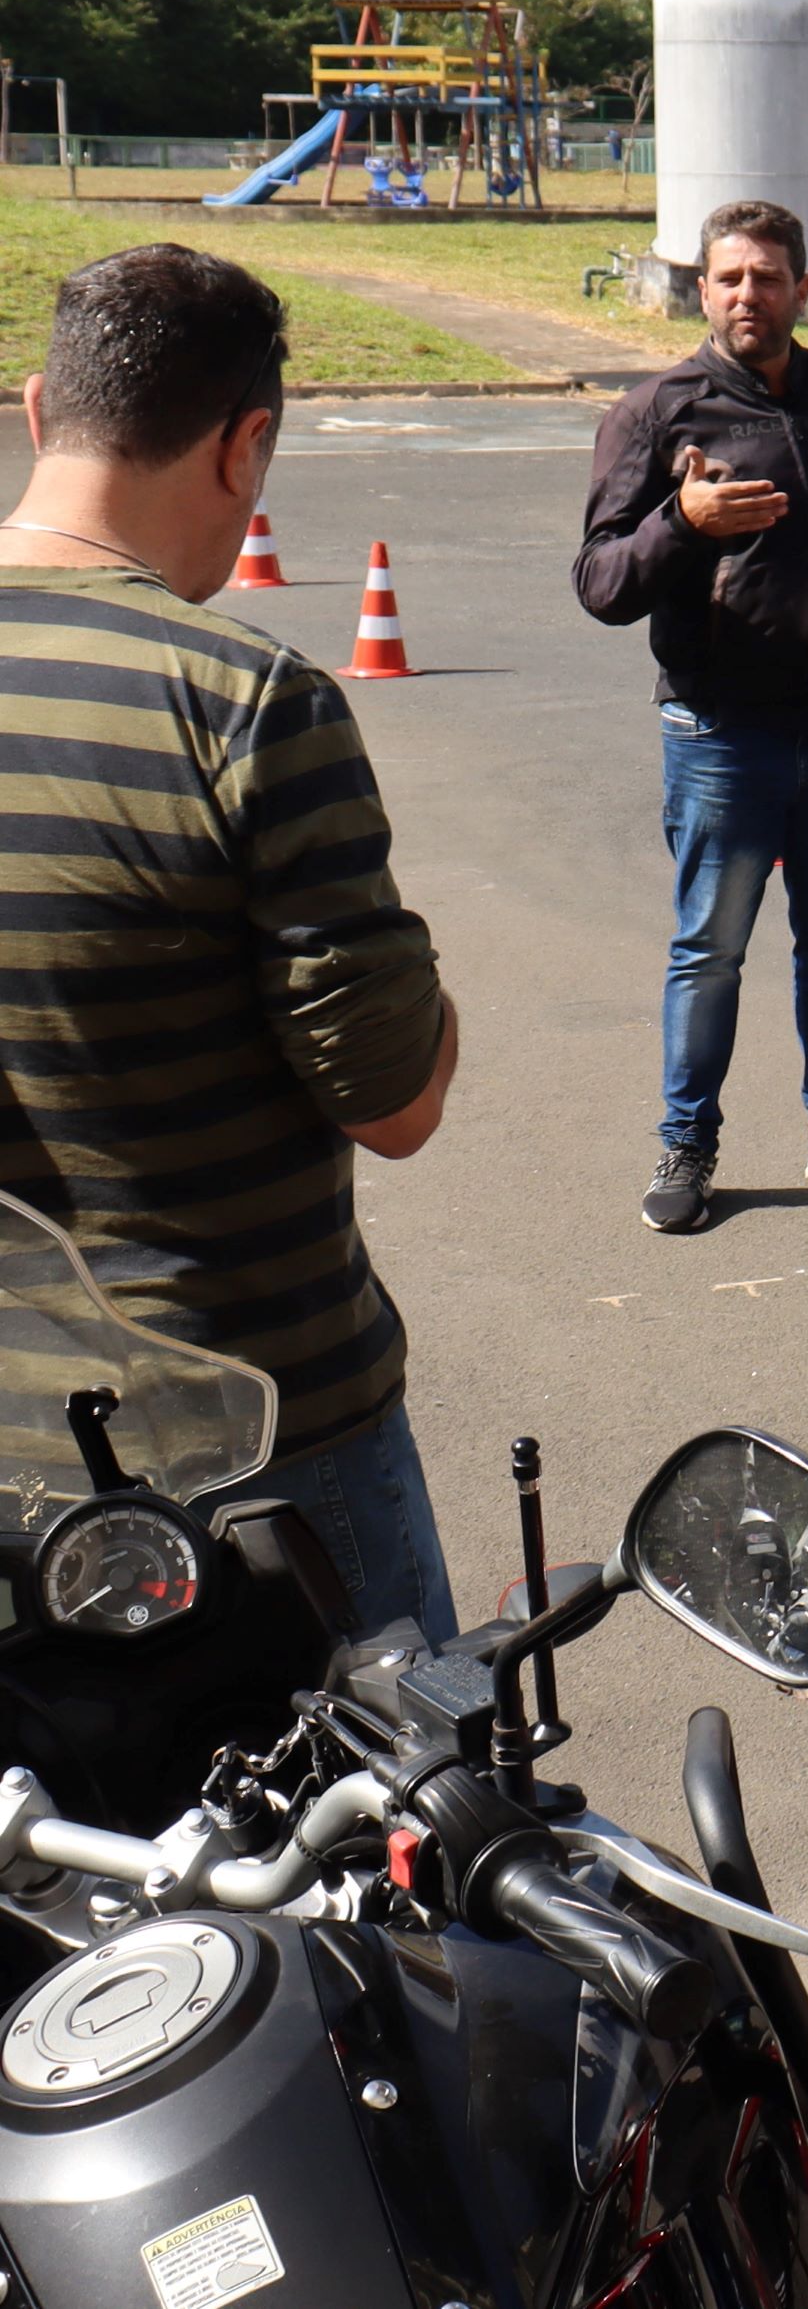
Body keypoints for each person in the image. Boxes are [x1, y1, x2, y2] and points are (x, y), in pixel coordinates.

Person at [0, 248, 462, 1636]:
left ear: (38, 413)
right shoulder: (245, 703)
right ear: (243, 441)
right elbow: (395, 1100)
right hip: (261, 1442)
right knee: (383, 1827)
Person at [577, 201, 808, 1235]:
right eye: (729, 278)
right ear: (703, 290)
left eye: (767, 278)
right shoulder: (655, 414)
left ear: (803, 289)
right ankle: (687, 1144)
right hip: (717, 728)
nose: (748, 295)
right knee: (709, 950)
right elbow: (600, 582)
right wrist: (679, 525)